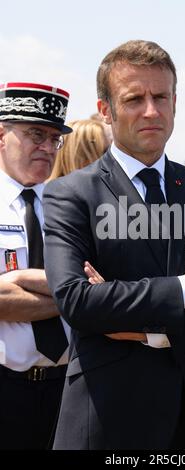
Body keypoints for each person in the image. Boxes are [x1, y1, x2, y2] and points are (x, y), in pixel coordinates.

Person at [43, 40, 185, 450]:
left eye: (161, 97)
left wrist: (149, 334)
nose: (151, 111)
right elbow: (77, 301)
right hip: (110, 416)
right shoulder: (71, 194)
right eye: (134, 98)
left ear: (175, 102)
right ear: (105, 110)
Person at [0, 82, 71, 449]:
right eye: (35, 134)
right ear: (1, 135)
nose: (47, 147)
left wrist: (17, 282)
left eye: (54, 138)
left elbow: (102, 285)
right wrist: (74, 297)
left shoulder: (70, 205)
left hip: (68, 387)